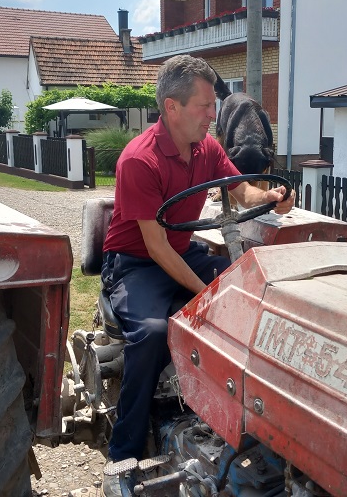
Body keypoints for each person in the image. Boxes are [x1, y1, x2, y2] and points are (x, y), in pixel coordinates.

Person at [101, 54, 294, 496]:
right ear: (171, 107)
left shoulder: (206, 147)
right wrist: (207, 290)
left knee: (256, 293)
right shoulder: (139, 160)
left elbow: (241, 190)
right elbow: (155, 247)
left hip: (182, 249)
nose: (214, 115)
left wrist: (272, 195)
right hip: (136, 263)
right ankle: (123, 456)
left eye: (213, 106)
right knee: (149, 333)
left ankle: (247, 421)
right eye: (205, 106)